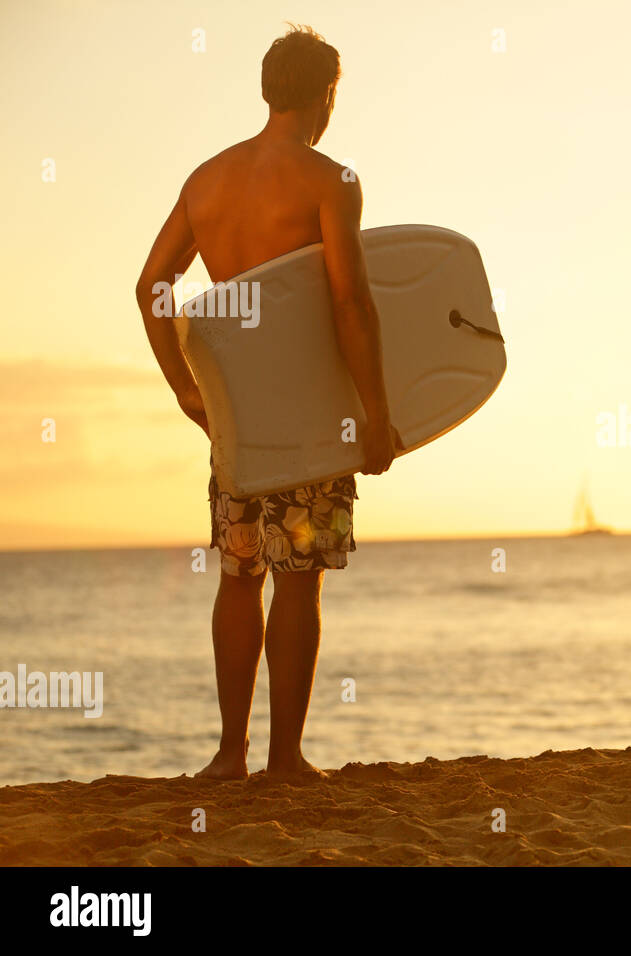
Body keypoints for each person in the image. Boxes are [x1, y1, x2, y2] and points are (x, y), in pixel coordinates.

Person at [134, 25, 395, 781]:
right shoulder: (330, 181)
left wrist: (186, 386)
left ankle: (229, 754)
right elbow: (352, 303)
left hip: (238, 417)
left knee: (240, 574)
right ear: (326, 96)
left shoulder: (207, 181)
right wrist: (375, 415)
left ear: (264, 89)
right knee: (300, 577)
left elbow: (153, 285)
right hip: (311, 412)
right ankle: (285, 759)